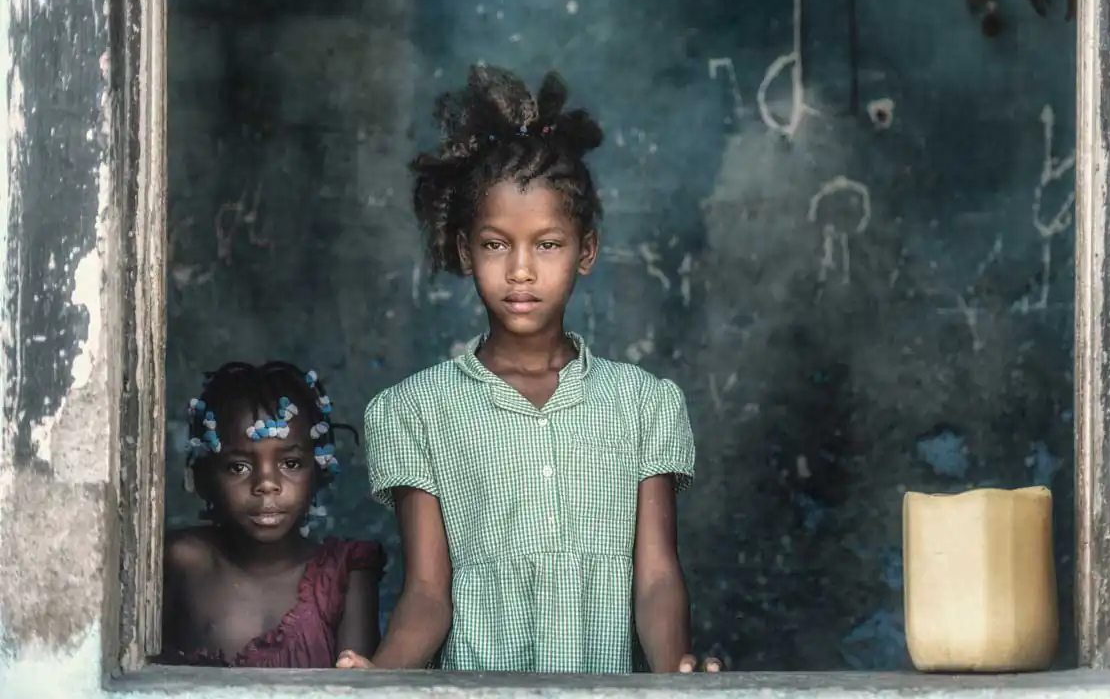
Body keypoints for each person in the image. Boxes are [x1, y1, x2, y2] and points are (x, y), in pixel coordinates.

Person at [339, 66, 720, 673]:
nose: (521, 270)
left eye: (547, 244)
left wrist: (677, 672)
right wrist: (377, 682)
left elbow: (655, 578)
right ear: (465, 251)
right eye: (496, 244)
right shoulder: (414, 411)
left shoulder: (645, 404)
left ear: (585, 251)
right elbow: (428, 596)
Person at [158, 361, 385, 668]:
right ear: (204, 478)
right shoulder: (182, 561)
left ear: (318, 471)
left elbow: (356, 681)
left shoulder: (343, 574)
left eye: (291, 464)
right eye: (238, 467)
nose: (266, 484)